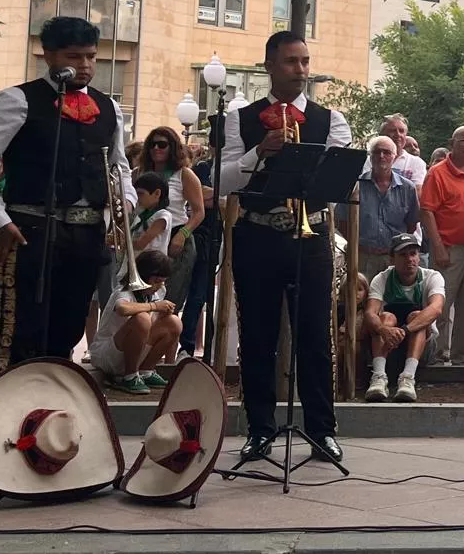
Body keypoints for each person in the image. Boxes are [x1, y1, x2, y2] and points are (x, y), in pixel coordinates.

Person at [0, 16, 135, 372]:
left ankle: (53, 398)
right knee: (24, 326)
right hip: (31, 229)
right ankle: (20, 404)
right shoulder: (17, 100)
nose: (84, 66)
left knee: (69, 325)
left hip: (87, 233)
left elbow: (120, 166)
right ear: (49, 55)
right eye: (73, 56)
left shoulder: (109, 108)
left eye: (91, 57)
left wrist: (124, 204)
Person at [219, 30, 353, 464]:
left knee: (315, 334)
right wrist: (259, 153)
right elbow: (220, 181)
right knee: (258, 338)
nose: (301, 70)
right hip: (256, 233)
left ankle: (322, 429)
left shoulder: (330, 119)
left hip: (308, 235)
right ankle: (260, 429)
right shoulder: (240, 119)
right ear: (270, 66)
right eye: (292, 62)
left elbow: (335, 182)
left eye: (305, 62)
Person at [421, 126, 464, 366]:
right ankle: (436, 356)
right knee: (440, 305)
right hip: (449, 249)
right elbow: (427, 211)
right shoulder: (437, 173)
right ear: (452, 143)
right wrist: (438, 247)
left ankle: (463, 358)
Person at [363, 232, 445, 403]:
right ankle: (378, 376)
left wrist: (405, 330)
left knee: (418, 316)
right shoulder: (382, 278)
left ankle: (408, 377)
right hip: (388, 345)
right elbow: (370, 312)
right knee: (384, 317)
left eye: (413, 253)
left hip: (423, 348)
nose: (410, 259)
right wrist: (383, 329)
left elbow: (436, 308)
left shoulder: (432, 277)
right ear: (392, 259)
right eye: (403, 255)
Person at [131, 126, 204, 310]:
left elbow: (198, 211)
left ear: (172, 147)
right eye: (152, 144)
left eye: (162, 144)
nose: (156, 148)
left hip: (175, 236)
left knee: (169, 299)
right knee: (138, 298)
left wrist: (183, 235)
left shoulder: (184, 174)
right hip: (144, 236)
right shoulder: (137, 173)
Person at [89, 250, 180, 394]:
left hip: (130, 352)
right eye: (156, 281)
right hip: (108, 356)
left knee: (174, 322)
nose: (160, 286)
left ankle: (146, 371)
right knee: (142, 319)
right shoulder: (124, 291)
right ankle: (130, 376)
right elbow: (123, 309)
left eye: (163, 282)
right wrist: (154, 306)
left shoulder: (156, 293)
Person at [339, 136, 419, 277]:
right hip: (362, 257)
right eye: (376, 152)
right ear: (370, 157)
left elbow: (411, 224)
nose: (381, 156)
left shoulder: (408, 188)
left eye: (386, 152)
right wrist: (357, 245)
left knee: (392, 297)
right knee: (360, 297)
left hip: (394, 258)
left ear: (394, 157)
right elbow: (342, 222)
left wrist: (396, 249)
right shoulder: (354, 186)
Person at [179, 145, 221, 360]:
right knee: (194, 294)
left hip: (222, 236)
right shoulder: (203, 167)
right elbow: (198, 197)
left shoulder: (229, 168)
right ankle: (185, 346)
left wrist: (213, 195)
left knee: (207, 296)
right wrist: (220, 193)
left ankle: (211, 348)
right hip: (201, 235)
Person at [379, 114, 428, 188]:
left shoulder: (417, 163)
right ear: (382, 135)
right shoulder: (369, 161)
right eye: (393, 131)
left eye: (401, 131)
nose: (398, 134)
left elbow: (416, 194)